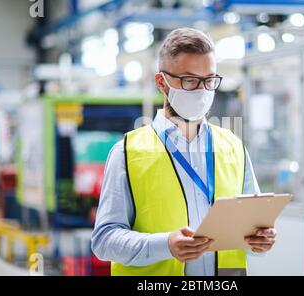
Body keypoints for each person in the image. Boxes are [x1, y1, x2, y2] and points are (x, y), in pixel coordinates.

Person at [91, 27, 277, 276]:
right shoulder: (127, 153)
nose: (202, 91)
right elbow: (104, 241)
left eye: (209, 80)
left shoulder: (233, 147)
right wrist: (164, 245)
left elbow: (253, 229)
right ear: (162, 82)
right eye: (190, 80)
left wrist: (261, 243)